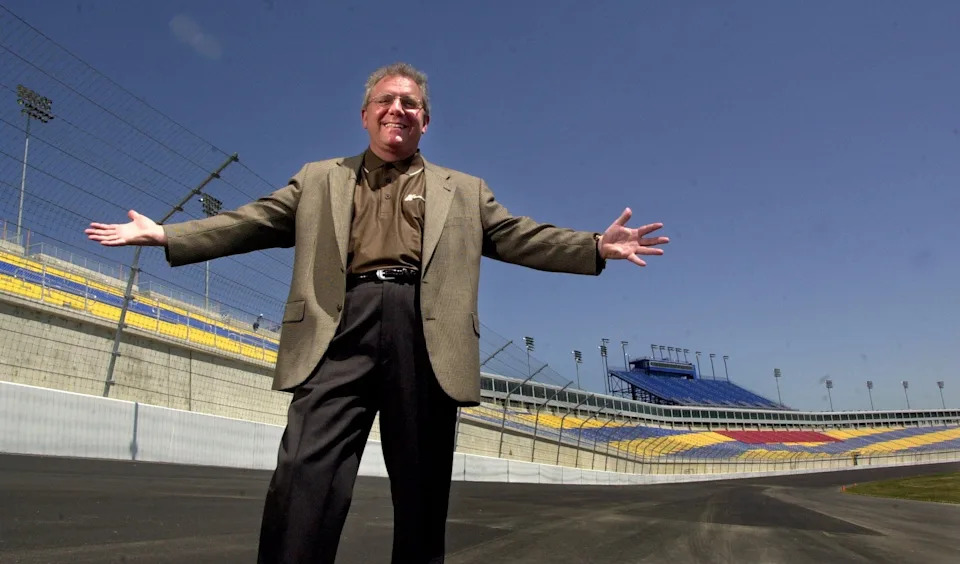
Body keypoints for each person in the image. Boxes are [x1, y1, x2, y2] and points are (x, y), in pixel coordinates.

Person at [86, 62, 669, 563]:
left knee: (421, 489)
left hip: (426, 331)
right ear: (365, 115)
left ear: (426, 121)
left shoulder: (462, 190)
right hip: (339, 325)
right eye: (386, 101)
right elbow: (254, 219)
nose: (398, 110)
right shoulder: (320, 179)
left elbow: (519, 235)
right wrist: (168, 234)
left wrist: (594, 246)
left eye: (410, 104)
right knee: (305, 472)